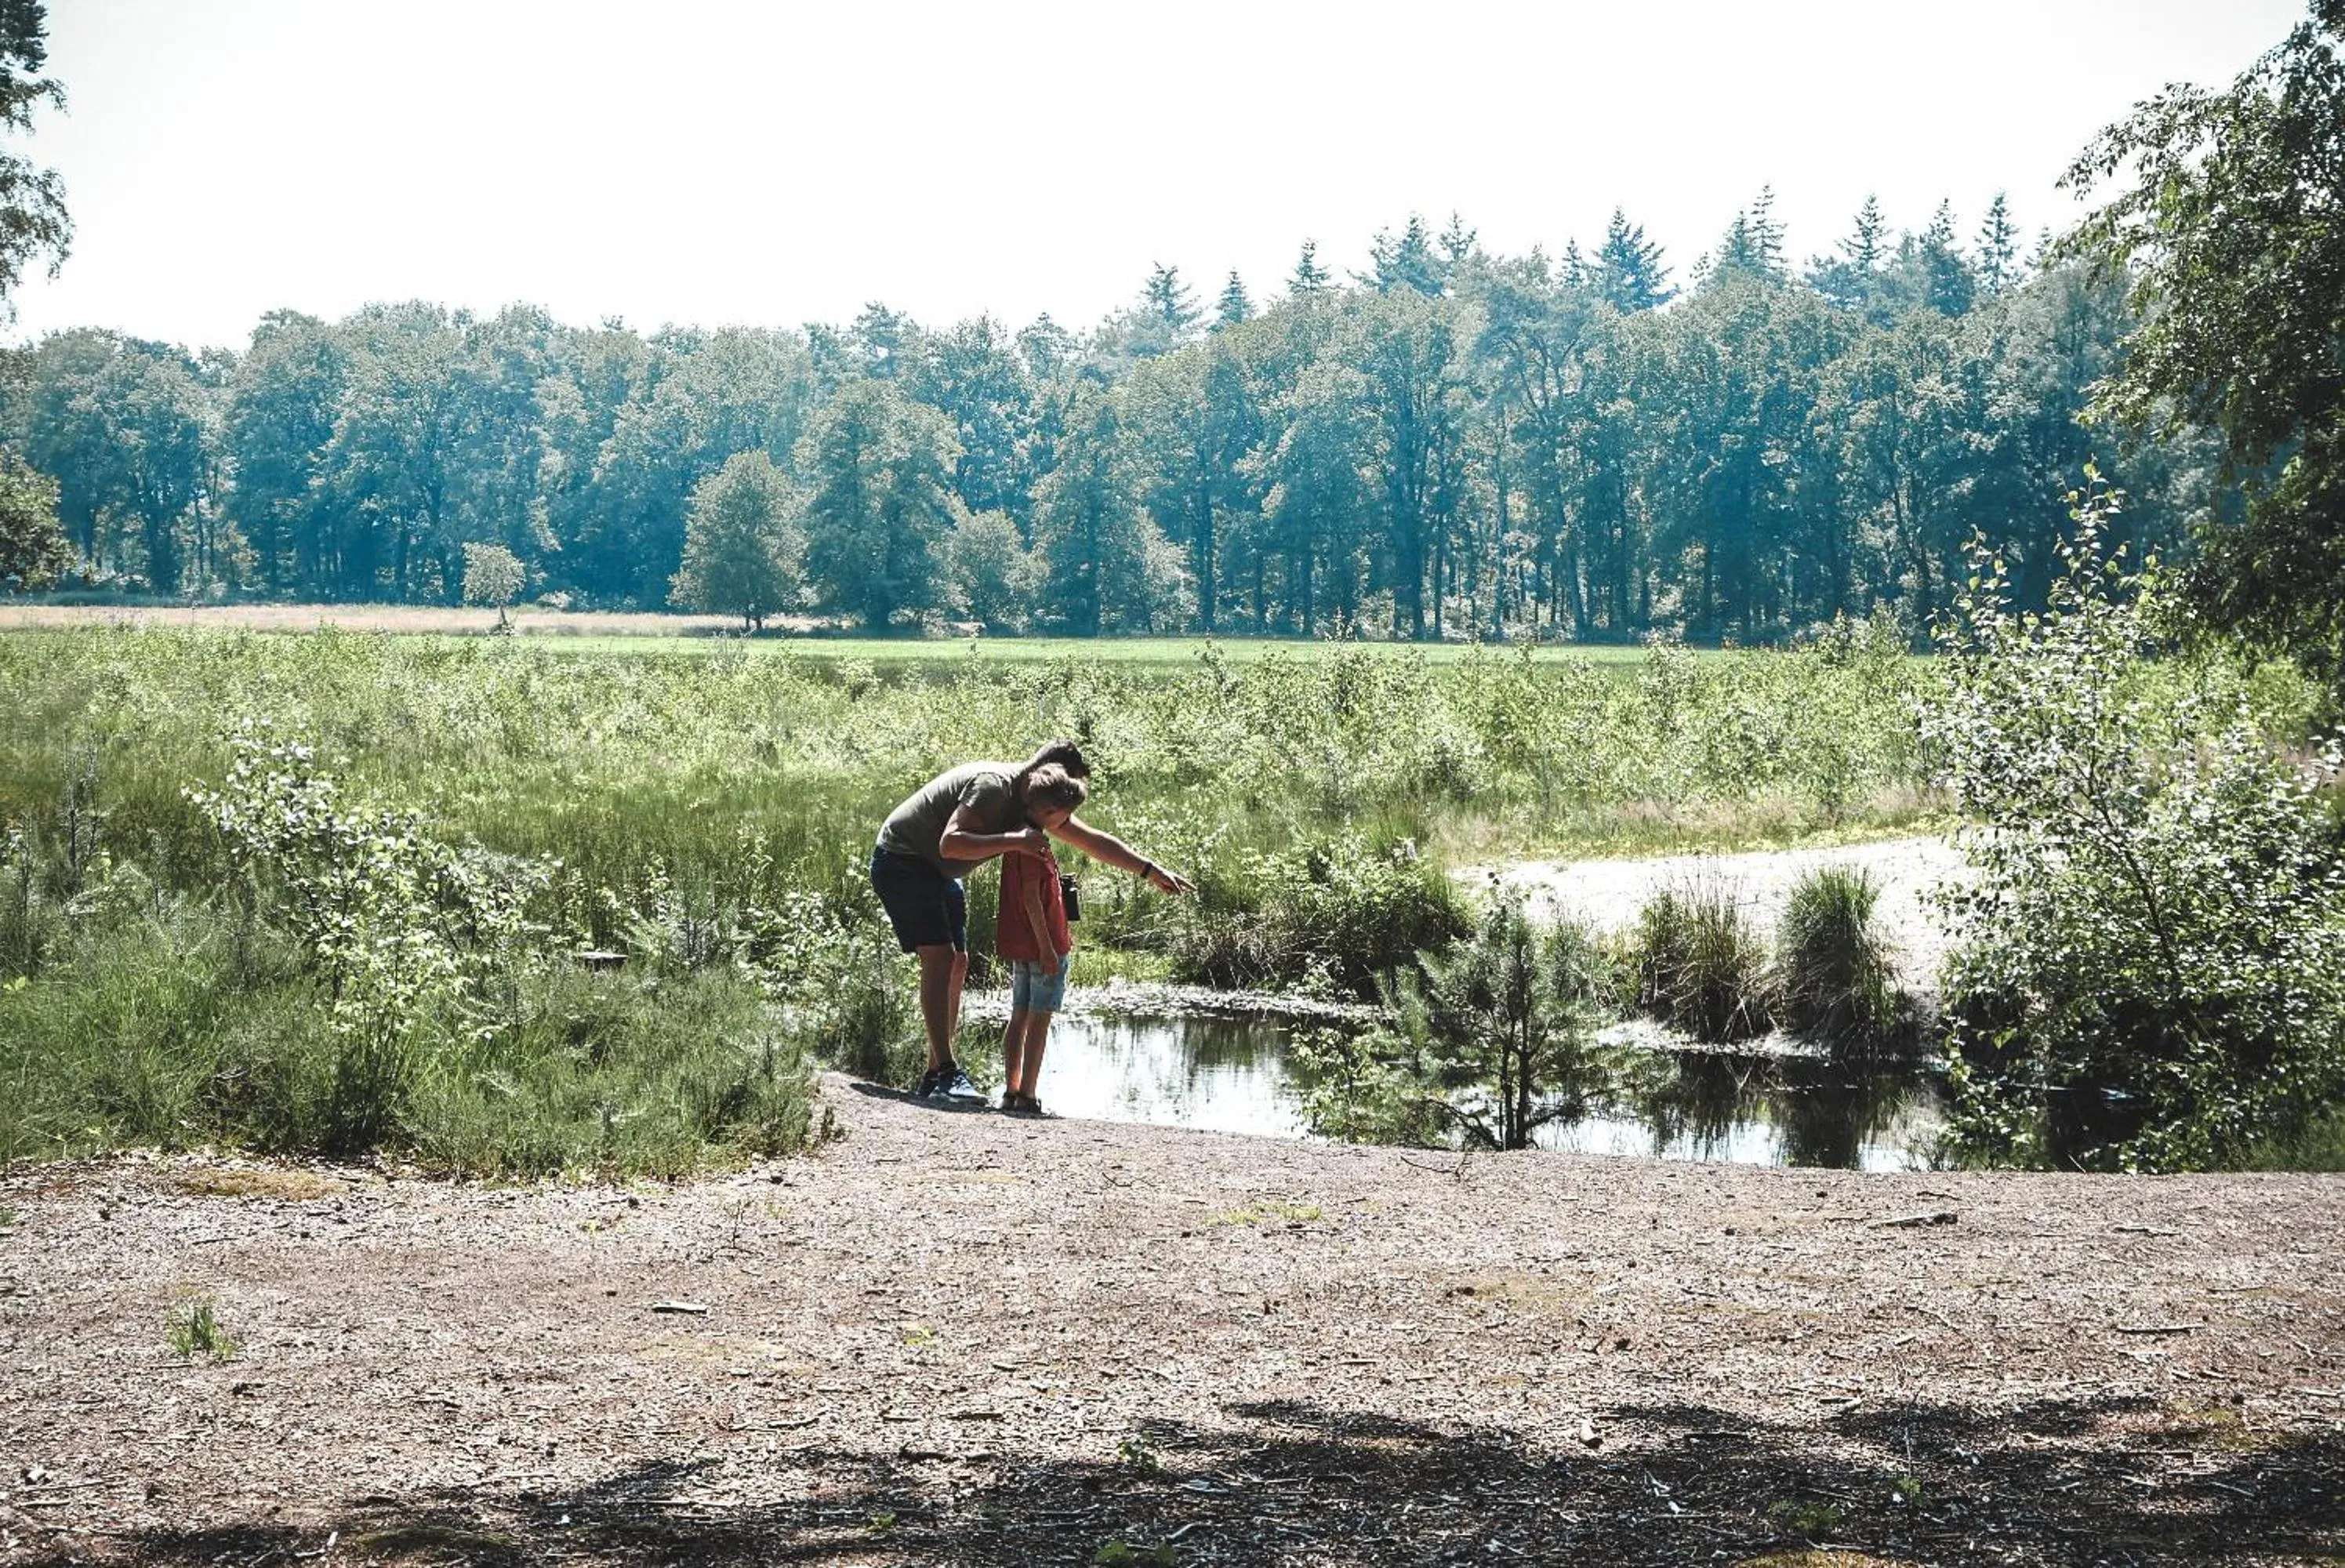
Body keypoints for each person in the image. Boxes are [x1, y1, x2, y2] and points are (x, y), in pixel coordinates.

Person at [869, 740, 1193, 1102]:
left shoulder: (1035, 801)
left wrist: (1149, 870)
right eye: (1063, 797)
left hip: (936, 871)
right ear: (1045, 779)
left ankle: (934, 1073)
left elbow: (1090, 841)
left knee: (958, 963)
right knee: (941, 958)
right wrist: (1016, 841)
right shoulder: (993, 788)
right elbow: (951, 844)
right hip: (903, 859)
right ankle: (947, 1073)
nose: (1065, 812)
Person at [996, 769, 1081, 1115]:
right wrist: (1047, 948)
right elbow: (1032, 898)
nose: (1068, 820)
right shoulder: (1033, 844)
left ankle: (1012, 1091)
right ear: (1049, 812)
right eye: (1066, 814)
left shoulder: (1015, 838)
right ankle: (1028, 1095)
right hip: (1043, 947)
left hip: (1022, 946)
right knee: (1040, 1018)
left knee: (1019, 1015)